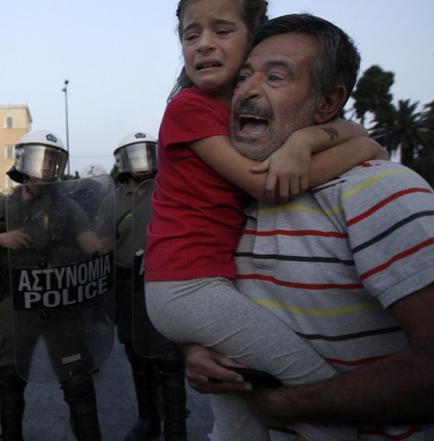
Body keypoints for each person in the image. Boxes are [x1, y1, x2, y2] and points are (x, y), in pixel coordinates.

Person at [143, 1, 389, 440]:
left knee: (239, 415)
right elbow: (265, 183)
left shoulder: (245, 109)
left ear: (253, 36)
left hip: (197, 284)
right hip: (188, 286)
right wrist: (365, 150)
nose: (204, 45)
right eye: (191, 35)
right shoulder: (189, 108)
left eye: (222, 31)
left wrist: (305, 140)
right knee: (313, 386)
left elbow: (350, 126)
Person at [183, 13, 434, 440]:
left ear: (327, 104)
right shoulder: (231, 202)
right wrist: (199, 353)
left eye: (275, 77)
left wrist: (288, 405)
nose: (246, 90)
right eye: (244, 76)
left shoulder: (382, 191)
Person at [0, 130, 107, 441]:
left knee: (77, 382)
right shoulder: (0, 209)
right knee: (10, 380)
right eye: (41, 160)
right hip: (16, 309)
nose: (47, 167)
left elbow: (94, 249)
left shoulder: (68, 208)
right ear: (24, 162)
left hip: (61, 307)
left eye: (53, 162)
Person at [110, 132, 187, 441]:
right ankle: (148, 419)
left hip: (163, 280)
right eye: (134, 154)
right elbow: (99, 239)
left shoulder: (170, 187)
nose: (142, 161)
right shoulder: (114, 198)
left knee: (169, 357)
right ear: (122, 160)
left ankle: (176, 428)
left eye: (146, 152)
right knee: (136, 353)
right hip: (127, 285)